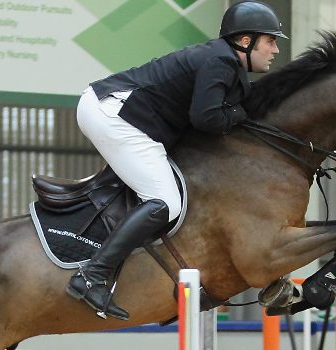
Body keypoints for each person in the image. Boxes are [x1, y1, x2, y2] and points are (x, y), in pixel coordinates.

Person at [65, 0, 285, 321]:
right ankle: (91, 275)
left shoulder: (224, 62)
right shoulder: (220, 61)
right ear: (245, 41)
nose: (276, 49)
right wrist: (241, 113)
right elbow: (207, 118)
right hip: (113, 114)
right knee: (165, 201)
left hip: (122, 114)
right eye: (271, 40)